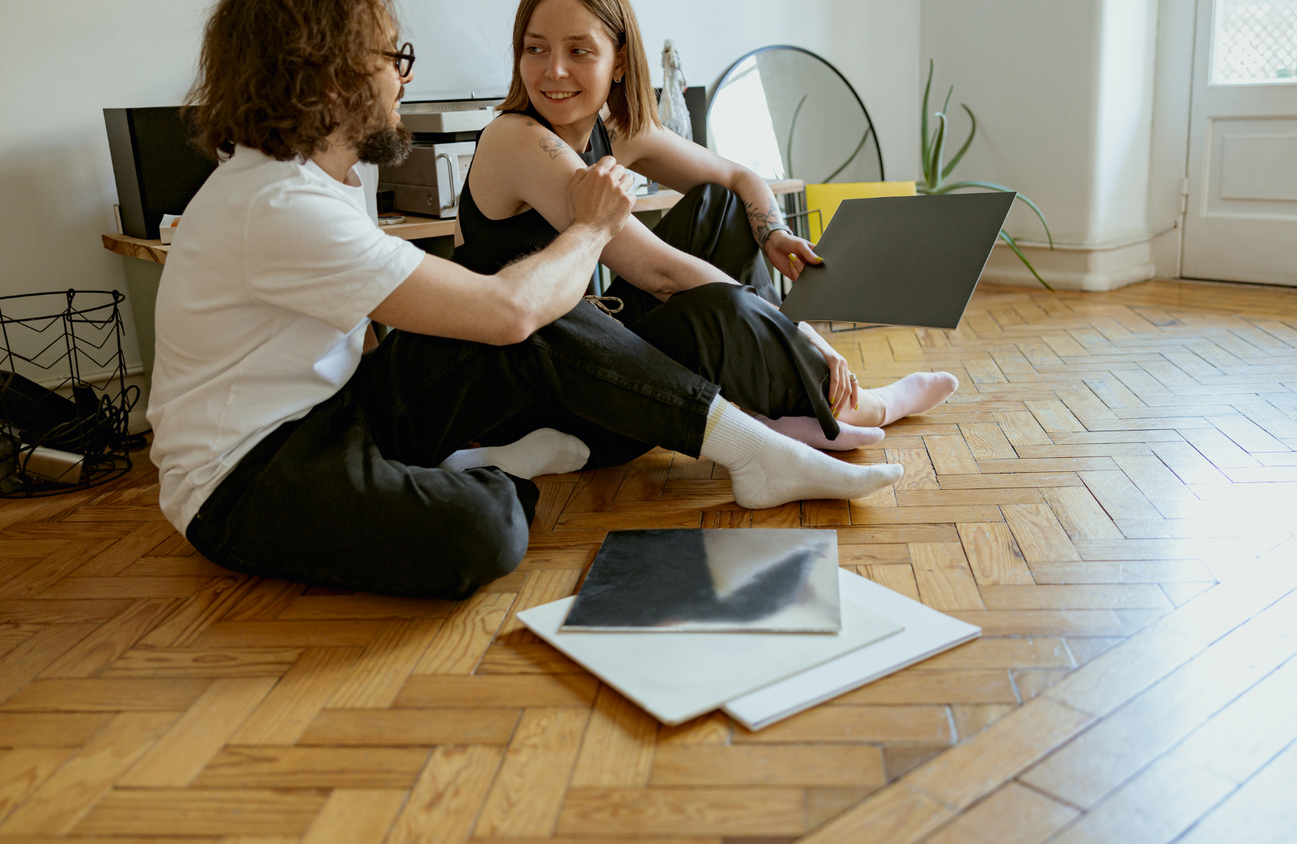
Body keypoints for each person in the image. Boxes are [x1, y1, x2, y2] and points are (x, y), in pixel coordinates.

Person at [145, 0, 903, 601]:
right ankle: (506, 469)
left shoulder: (333, 177)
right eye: (392, 59)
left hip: (342, 405)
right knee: (485, 531)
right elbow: (512, 308)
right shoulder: (277, 203)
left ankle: (753, 450)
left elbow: (459, 320)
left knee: (532, 315)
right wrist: (594, 226)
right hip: (244, 475)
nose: (401, 80)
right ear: (332, 75)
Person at [456, 0, 960, 456]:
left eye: (579, 51)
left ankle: (776, 406)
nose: (554, 70)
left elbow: (740, 178)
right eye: (535, 49)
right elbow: (661, 273)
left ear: (621, 62)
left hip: (596, 339)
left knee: (719, 206)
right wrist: (806, 335)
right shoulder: (516, 139)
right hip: (543, 391)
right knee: (722, 309)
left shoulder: (615, 131)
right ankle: (861, 405)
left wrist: (774, 234)